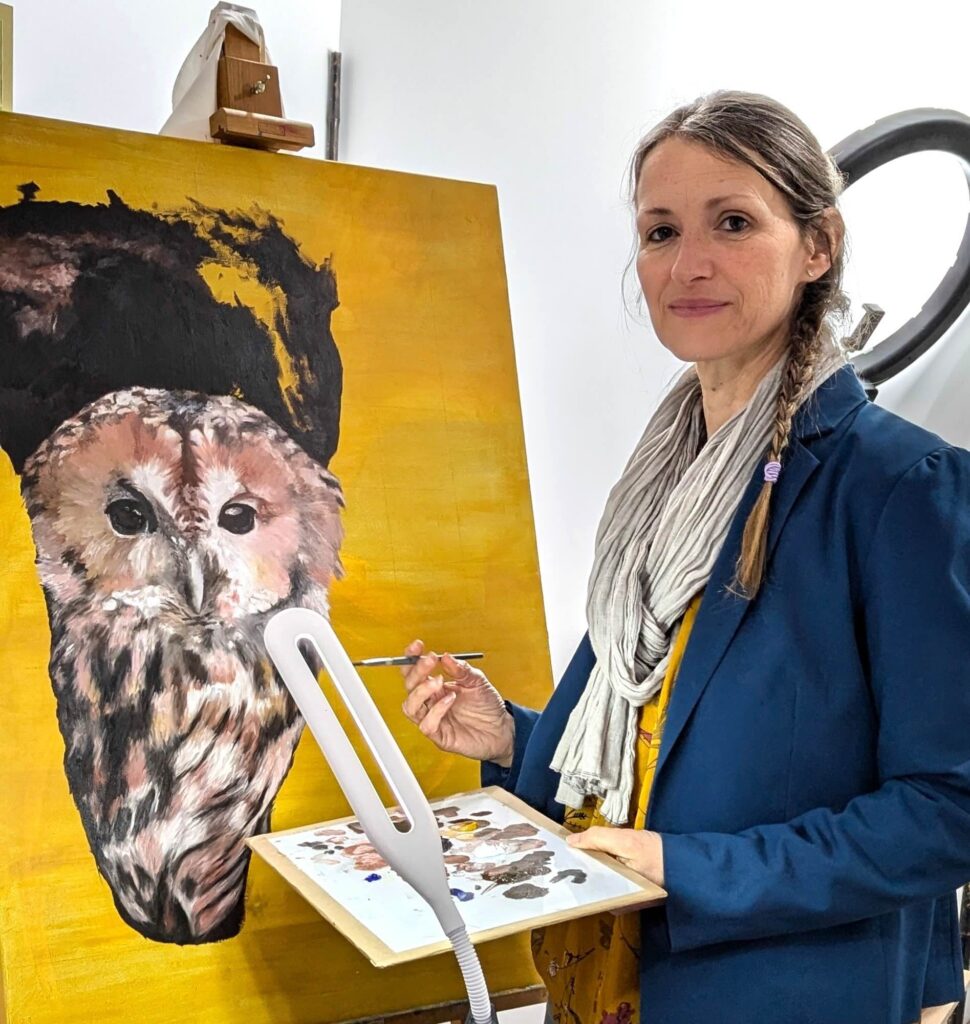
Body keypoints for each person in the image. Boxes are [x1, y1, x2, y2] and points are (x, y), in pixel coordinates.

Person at [400, 90, 970, 1024]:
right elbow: (654, 752)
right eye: (660, 231)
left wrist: (689, 868)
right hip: (606, 983)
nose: (689, 263)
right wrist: (510, 738)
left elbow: (946, 810)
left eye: (733, 222)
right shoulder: (658, 489)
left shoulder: (899, 486)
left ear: (818, 246)